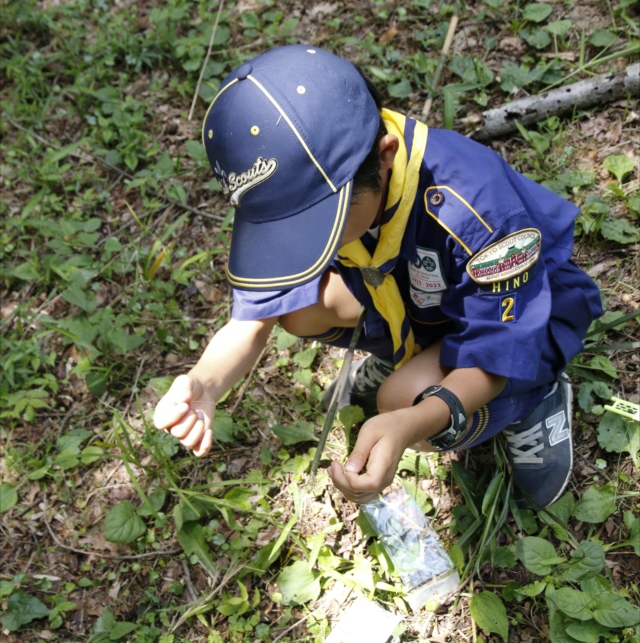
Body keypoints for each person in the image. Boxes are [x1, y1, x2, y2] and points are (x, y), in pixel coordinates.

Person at [153, 44, 602, 508]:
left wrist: (410, 424)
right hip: (417, 291)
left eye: (316, 221)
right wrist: (205, 383)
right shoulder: (321, 182)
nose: (306, 242)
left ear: (385, 156)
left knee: (400, 400)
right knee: (300, 311)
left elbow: (499, 348)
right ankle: (411, 349)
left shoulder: (478, 212)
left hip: (522, 316)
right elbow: (256, 315)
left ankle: (535, 397)